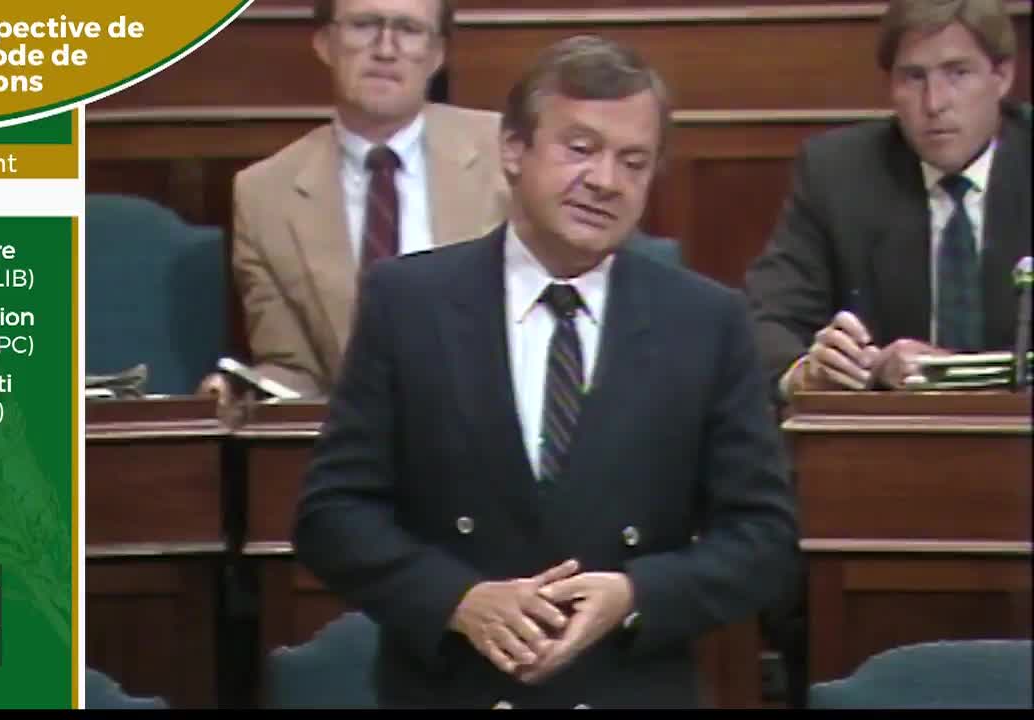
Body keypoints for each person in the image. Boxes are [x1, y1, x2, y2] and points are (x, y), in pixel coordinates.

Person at [292, 35, 798, 709]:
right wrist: (458, 599)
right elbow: (333, 516)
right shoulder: (407, 303)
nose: (606, 181)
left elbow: (763, 540)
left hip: (625, 687)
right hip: (454, 689)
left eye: (633, 161)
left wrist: (636, 594)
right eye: (580, 148)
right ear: (512, 149)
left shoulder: (707, 322)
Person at [197, 0, 509, 404]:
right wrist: (244, 391)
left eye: (409, 30)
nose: (385, 49)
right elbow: (295, 371)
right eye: (365, 25)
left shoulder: (507, 154)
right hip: (362, 442)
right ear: (326, 43)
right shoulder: (263, 195)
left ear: (437, 55)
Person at [745, 0, 1031, 402]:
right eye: (914, 78)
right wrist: (810, 374)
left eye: (958, 73)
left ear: (1002, 76)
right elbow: (766, 320)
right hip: (885, 442)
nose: (935, 103)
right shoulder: (839, 173)